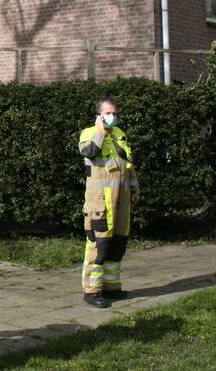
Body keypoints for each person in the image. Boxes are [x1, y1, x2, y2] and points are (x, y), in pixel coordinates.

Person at [78, 96, 140, 308]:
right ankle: (92, 291)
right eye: (107, 113)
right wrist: (101, 132)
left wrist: (134, 187)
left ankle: (111, 287)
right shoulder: (89, 133)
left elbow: (128, 165)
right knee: (99, 244)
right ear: (99, 115)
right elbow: (90, 153)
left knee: (118, 243)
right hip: (100, 201)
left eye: (114, 113)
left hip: (121, 199)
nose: (112, 117)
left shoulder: (121, 134)